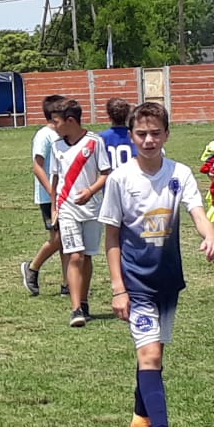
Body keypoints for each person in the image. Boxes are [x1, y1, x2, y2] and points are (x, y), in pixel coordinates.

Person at [99, 102, 214, 427]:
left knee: (152, 358)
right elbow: (112, 236)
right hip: (136, 284)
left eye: (155, 133)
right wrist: (118, 288)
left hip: (168, 280)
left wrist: (210, 235)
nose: (148, 140)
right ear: (131, 136)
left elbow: (197, 212)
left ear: (166, 134)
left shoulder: (179, 173)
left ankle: (139, 423)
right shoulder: (120, 179)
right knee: (150, 357)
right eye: (141, 134)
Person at [51, 98, 112, 327]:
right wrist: (55, 206)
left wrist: (90, 190)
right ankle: (75, 308)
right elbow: (56, 178)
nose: (53, 126)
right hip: (67, 207)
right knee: (74, 255)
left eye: (56, 121)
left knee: (86, 256)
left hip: (93, 208)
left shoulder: (95, 142)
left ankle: (84, 301)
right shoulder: (57, 146)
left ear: (70, 120)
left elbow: (106, 173)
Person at [20, 95, 69, 298]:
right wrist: (52, 191)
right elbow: (37, 166)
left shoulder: (63, 133)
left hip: (64, 194)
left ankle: (68, 283)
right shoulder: (44, 135)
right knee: (59, 238)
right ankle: (32, 267)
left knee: (67, 239)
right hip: (49, 196)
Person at [99, 97, 137, 170]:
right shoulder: (134, 135)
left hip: (110, 178)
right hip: (132, 177)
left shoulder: (102, 137)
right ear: (127, 116)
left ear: (109, 116)